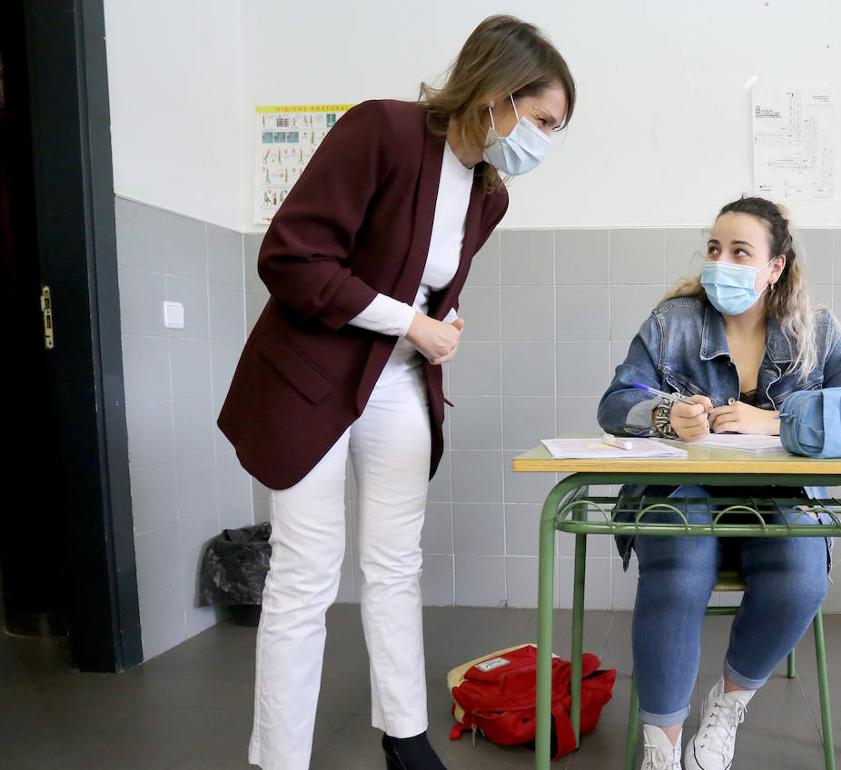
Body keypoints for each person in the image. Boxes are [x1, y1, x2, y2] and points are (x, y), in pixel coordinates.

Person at [217, 16, 574, 770]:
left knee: (394, 564)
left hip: (399, 382)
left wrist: (433, 322)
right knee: (304, 576)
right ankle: (277, 760)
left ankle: (405, 738)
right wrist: (412, 322)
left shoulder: (488, 195)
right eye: (542, 119)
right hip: (311, 381)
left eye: (556, 128)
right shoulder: (384, 130)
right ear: (498, 89)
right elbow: (291, 259)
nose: (545, 140)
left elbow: (421, 285)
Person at [598, 197, 841, 770]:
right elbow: (615, 403)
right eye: (714, 249)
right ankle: (663, 747)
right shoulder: (672, 322)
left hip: (780, 496)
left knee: (801, 577)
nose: (720, 262)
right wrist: (665, 416)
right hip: (681, 493)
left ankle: (727, 703)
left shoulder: (814, 331)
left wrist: (776, 421)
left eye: (740, 252)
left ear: (775, 267)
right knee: (678, 568)